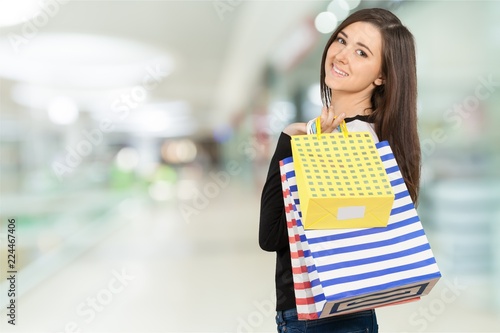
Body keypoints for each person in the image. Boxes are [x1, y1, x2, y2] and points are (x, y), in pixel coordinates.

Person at [259, 7, 420, 333]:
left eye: (361, 52)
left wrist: (292, 138)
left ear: (382, 75)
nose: (342, 55)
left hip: (321, 317)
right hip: (345, 313)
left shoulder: (353, 139)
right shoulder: (369, 134)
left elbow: (272, 234)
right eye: (341, 41)